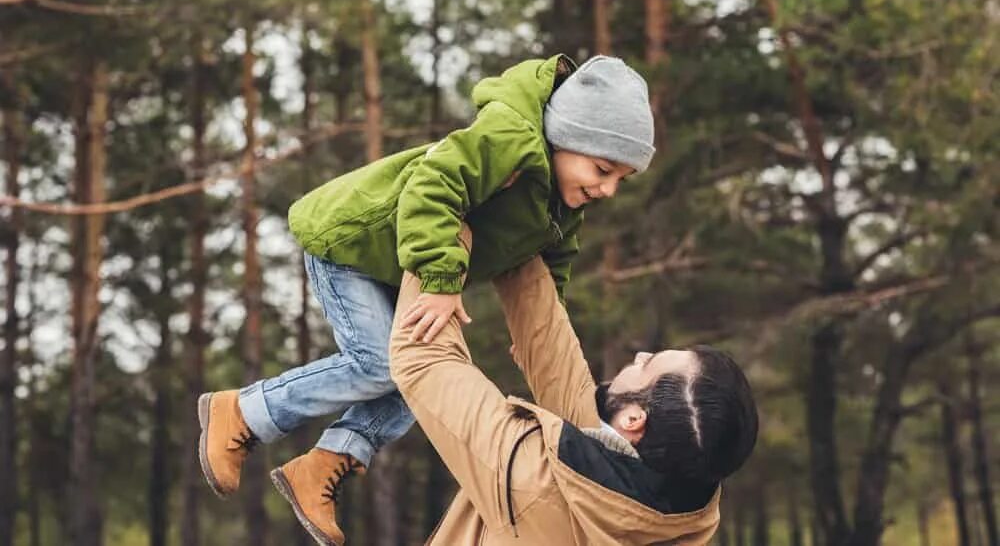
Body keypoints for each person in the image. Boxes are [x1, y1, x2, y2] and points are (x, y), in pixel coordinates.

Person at [196, 54, 657, 544]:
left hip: (397, 266)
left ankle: (328, 462)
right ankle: (244, 411)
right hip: (355, 243)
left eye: (620, 180)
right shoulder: (509, 139)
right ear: (568, 135)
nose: (607, 189)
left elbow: (552, 264)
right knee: (379, 363)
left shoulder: (561, 203)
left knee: (423, 379)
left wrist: (537, 335)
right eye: (602, 169)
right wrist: (441, 282)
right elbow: (433, 186)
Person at [389, 228, 759, 545]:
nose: (642, 355)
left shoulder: (534, 484)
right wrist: (516, 227)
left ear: (633, 418)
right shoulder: (670, 507)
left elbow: (422, 358)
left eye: (650, 363)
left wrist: (448, 229)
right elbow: (557, 366)